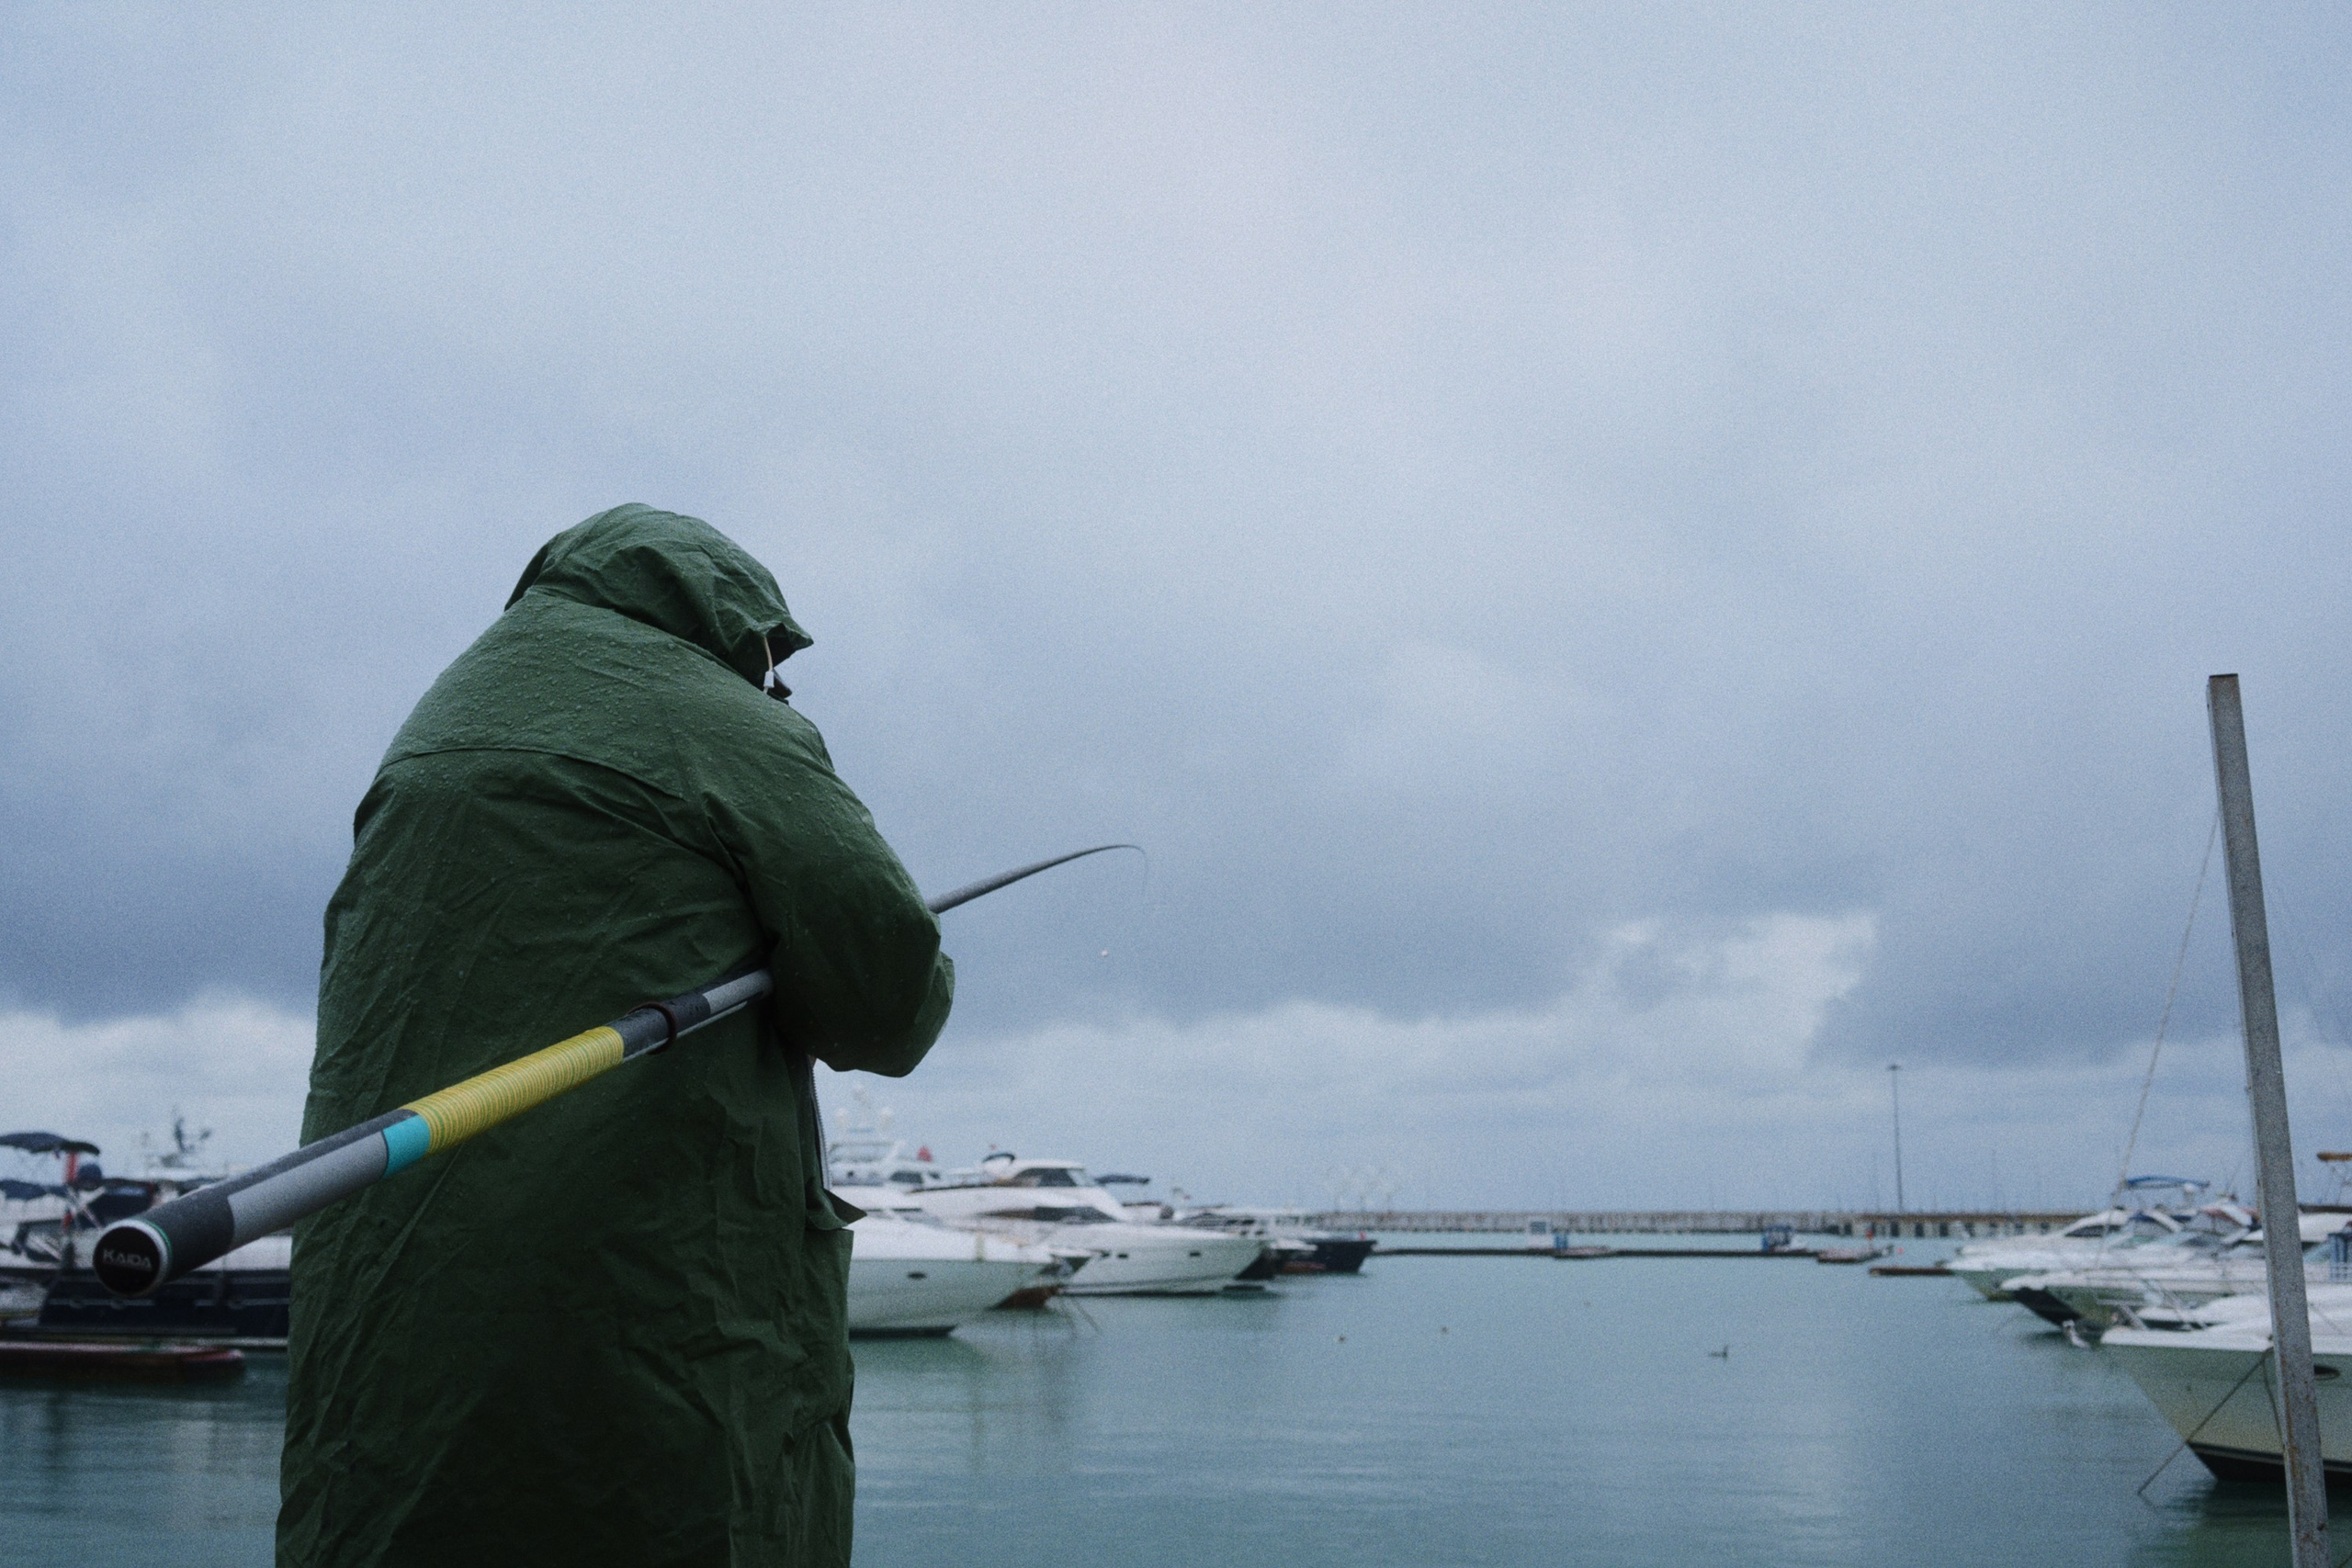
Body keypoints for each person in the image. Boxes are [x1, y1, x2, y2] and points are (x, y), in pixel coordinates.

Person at [278, 504, 953, 1567]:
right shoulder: (722, 722)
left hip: (398, 1280)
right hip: (653, 1293)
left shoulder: (438, 722)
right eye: (771, 664)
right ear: (733, 628)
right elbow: (890, 1002)